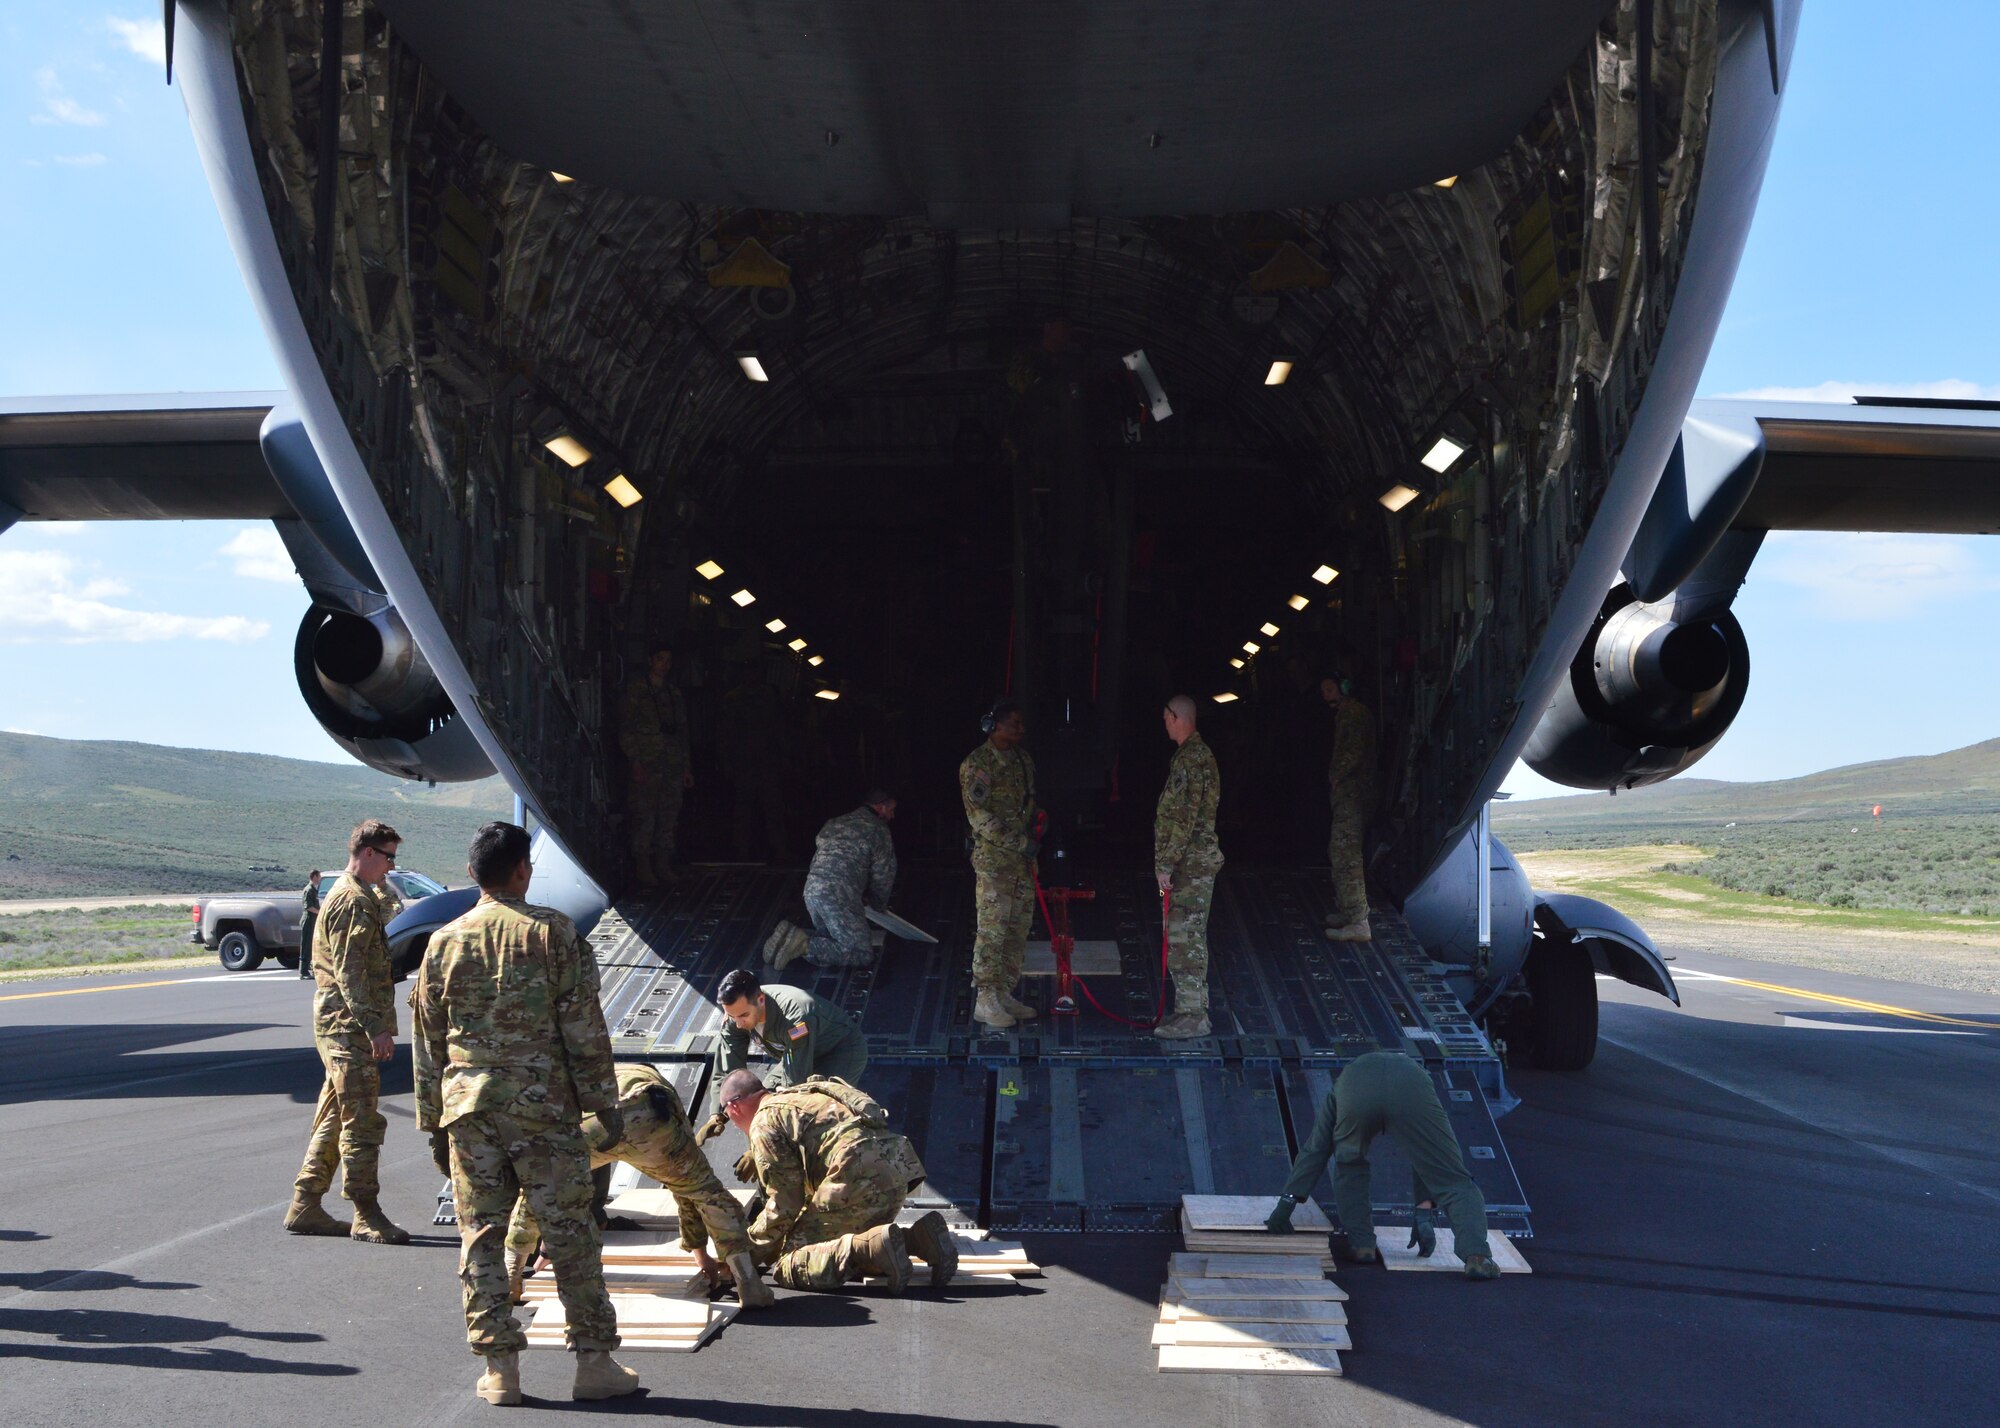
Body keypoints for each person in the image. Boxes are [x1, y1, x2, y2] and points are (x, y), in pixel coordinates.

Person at [411, 821, 640, 1405]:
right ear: (523, 870)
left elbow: (427, 1042)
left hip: (469, 1111)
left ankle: (499, 1371)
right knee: (568, 1233)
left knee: (481, 1239)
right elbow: (584, 1028)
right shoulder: (553, 933)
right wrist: (603, 1103)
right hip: (542, 1109)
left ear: (471, 874)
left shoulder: (443, 941)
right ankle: (593, 1364)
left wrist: (431, 1120)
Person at [504, 1062, 773, 1310]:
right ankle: (748, 1283)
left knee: (539, 1185)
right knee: (708, 1194)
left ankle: (509, 1277)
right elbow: (685, 1192)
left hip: (593, 1119)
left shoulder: (593, 1075)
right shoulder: (658, 1088)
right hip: (648, 1117)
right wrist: (699, 1251)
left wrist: (547, 1250)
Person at [1264, 1050, 1499, 1280]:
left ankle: (1361, 1245)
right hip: (1411, 1088)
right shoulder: (1419, 1077)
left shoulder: (1343, 1082)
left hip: (1357, 1090)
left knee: (1349, 1164)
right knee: (1452, 1178)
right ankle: (1477, 1256)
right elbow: (1426, 1159)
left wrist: (1288, 1200)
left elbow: (1317, 1148)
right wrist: (1423, 1212)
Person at [718, 1068, 957, 1291]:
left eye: (726, 1115)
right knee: (846, 1243)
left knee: (793, 1261)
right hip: (895, 1170)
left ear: (734, 1107)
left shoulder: (764, 1122)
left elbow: (785, 1203)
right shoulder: (800, 1095)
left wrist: (744, 1254)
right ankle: (919, 1239)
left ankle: (873, 1248)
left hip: (855, 1176)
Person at [285, 820, 408, 1245]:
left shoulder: (360, 895)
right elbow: (351, 972)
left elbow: (386, 921)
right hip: (349, 1024)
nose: (391, 867)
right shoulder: (351, 901)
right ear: (368, 852)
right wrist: (375, 1028)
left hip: (343, 1021)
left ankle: (305, 1204)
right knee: (362, 1120)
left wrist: (384, 892)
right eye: (389, 857)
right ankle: (365, 1210)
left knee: (336, 1113)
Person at [958, 699, 1042, 1030]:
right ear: (994, 727)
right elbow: (978, 816)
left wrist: (1037, 824)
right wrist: (1020, 842)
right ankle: (985, 999)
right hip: (995, 862)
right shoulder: (978, 764)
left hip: (1022, 863)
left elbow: (1030, 801)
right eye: (1015, 723)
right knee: (992, 931)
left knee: (1017, 929)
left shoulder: (1023, 760)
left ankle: (1004, 992)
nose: (1021, 729)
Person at [1153, 695, 1224, 1040]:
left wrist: (1166, 863)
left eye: (1165, 717)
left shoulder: (1191, 760)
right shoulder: (1192, 756)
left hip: (1189, 866)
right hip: (1191, 863)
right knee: (1182, 937)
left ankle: (1194, 1015)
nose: (1163, 723)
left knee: (1186, 939)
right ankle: (1187, 1010)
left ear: (1175, 716)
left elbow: (1183, 818)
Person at [765, 789, 897, 971]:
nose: (892, 815)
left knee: (831, 939)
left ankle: (784, 940)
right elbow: (884, 874)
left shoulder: (835, 822)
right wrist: (878, 905)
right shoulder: (878, 829)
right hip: (839, 894)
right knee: (861, 952)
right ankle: (804, 944)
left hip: (812, 889)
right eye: (891, 810)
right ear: (881, 807)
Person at [709, 968, 868, 1106]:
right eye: (732, 1016)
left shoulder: (795, 1020)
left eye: (743, 1015)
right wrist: (719, 1112)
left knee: (820, 1109)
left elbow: (795, 1078)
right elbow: (728, 1067)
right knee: (757, 1102)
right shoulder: (737, 1013)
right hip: (794, 1053)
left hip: (839, 1050)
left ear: (761, 1000)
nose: (738, 1024)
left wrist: (783, 1101)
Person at [619, 644, 693, 889]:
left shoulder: (673, 694)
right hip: (648, 762)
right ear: (651, 661)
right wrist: (635, 762)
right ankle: (643, 867)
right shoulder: (636, 691)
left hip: (671, 763)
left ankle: (663, 865)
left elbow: (682, 733)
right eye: (660, 659)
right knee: (645, 815)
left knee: (668, 816)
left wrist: (686, 767)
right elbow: (626, 729)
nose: (665, 665)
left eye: (668, 660)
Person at [1322, 673, 1378, 942]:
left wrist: (1336, 775)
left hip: (1352, 793)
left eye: (1330, 690)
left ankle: (1358, 921)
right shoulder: (1350, 713)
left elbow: (1352, 752)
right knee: (1341, 851)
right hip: (1352, 793)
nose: (1326, 696)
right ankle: (1349, 911)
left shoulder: (1352, 714)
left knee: (1346, 855)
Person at [297, 869, 322, 980]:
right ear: (314, 876)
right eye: (319, 876)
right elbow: (309, 907)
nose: (320, 878)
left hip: (313, 920)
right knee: (306, 946)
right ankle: (303, 972)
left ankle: (309, 968)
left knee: (312, 945)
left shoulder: (314, 890)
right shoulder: (308, 890)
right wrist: (320, 912)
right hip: (308, 920)